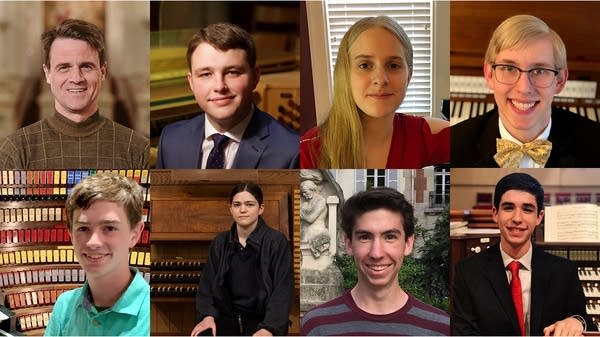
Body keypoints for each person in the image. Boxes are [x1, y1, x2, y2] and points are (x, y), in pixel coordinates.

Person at [452, 172, 595, 336]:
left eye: (527, 209)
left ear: (539, 217)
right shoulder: (468, 271)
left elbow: (586, 323)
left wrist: (577, 321)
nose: (517, 218)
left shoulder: (564, 270)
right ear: (495, 214)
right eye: (508, 208)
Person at [300, 16, 449, 169]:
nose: (380, 79)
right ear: (345, 74)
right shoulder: (308, 151)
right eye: (364, 65)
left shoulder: (426, 137)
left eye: (393, 65)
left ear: (409, 76)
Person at [451, 15, 600, 168]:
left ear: (560, 81)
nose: (524, 89)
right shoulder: (453, 147)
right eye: (509, 68)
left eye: (540, 70)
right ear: (489, 75)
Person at [0, 19, 149, 169]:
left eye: (86, 66)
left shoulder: (138, 149)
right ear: (48, 74)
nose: (76, 78)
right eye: (64, 67)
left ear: (102, 72)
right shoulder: (15, 150)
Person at [301, 187, 450, 336]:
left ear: (408, 244)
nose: (376, 253)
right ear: (348, 244)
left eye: (390, 237)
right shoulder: (316, 326)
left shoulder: (441, 328)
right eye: (365, 237)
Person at [156, 23, 299, 169]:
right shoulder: (170, 139)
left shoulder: (291, 151)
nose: (219, 86)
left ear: (255, 77)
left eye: (232, 72)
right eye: (206, 74)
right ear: (191, 82)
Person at [44, 172, 149, 335]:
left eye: (109, 228)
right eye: (83, 228)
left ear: (134, 234)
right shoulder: (64, 306)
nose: (93, 242)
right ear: (71, 235)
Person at [190, 182, 293, 336]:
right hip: (227, 316)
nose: (242, 210)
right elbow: (207, 285)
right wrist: (207, 316)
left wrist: (269, 328)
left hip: (262, 319)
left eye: (249, 204)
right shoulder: (220, 242)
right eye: (237, 204)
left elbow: (282, 290)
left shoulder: (277, 242)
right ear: (230, 209)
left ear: (261, 209)